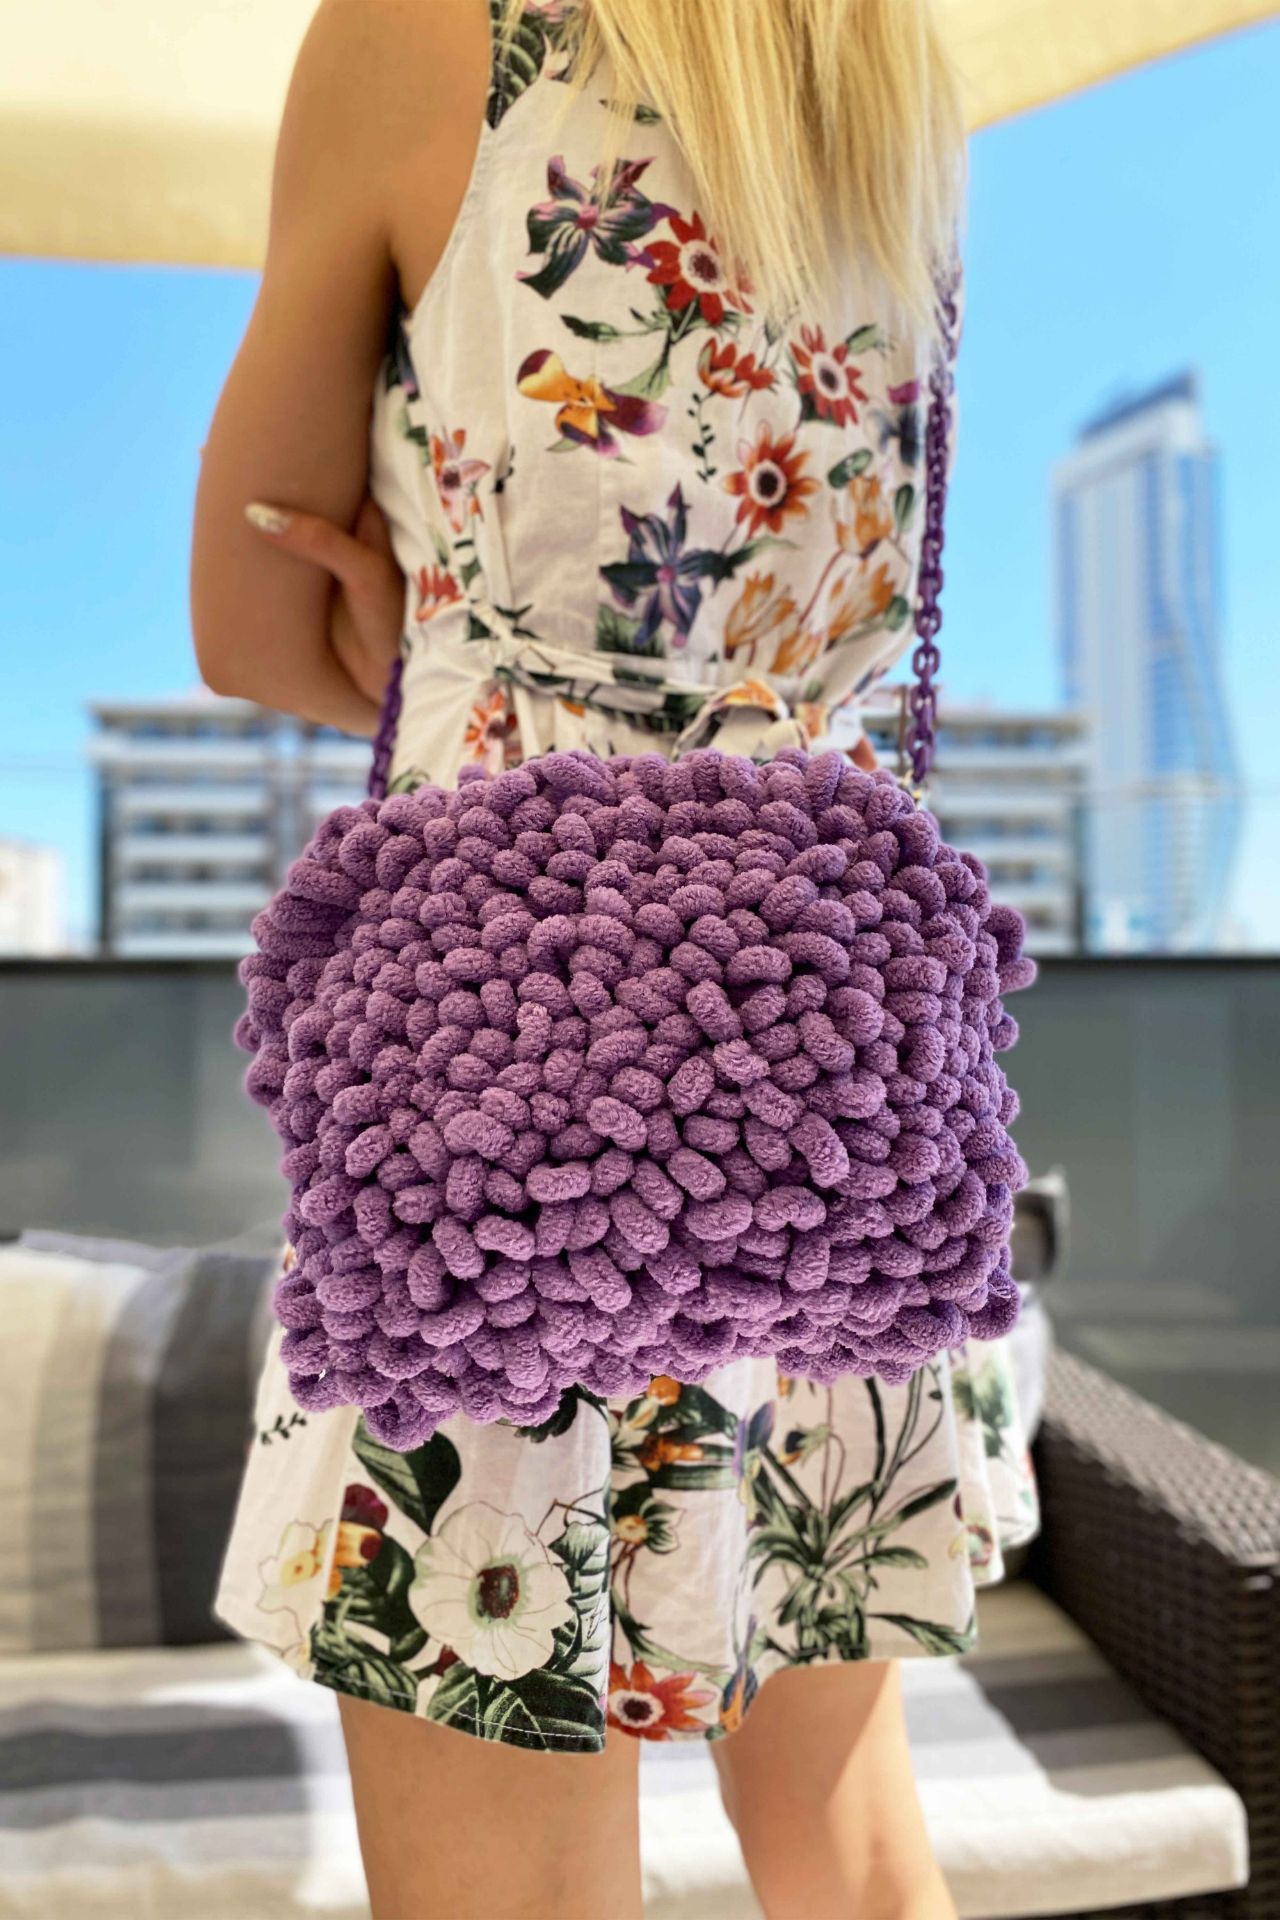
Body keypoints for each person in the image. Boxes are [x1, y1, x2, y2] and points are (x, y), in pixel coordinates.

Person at [192, 3, 1041, 1915]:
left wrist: (430, 622)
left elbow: (245, 618)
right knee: (850, 1853)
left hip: (505, 1063)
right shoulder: (885, 75)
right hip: (824, 1055)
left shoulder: (426, 35)